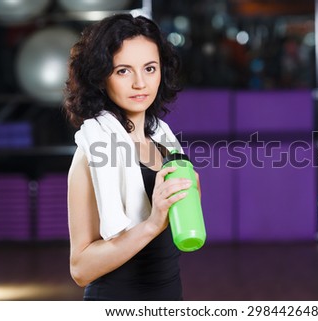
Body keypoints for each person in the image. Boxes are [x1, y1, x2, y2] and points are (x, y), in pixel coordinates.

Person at [63, 13, 196, 300]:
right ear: (101, 77)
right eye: (123, 70)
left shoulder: (165, 143)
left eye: (149, 68)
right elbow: (81, 269)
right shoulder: (92, 153)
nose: (140, 83)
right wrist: (152, 223)